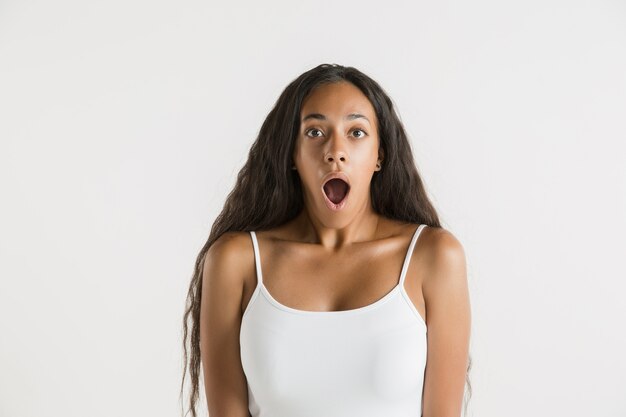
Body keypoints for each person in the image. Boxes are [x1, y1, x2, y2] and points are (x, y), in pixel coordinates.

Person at [181, 63, 472, 417]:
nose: (336, 151)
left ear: (379, 155)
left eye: (357, 132)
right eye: (315, 132)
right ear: (292, 154)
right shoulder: (236, 261)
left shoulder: (434, 258)